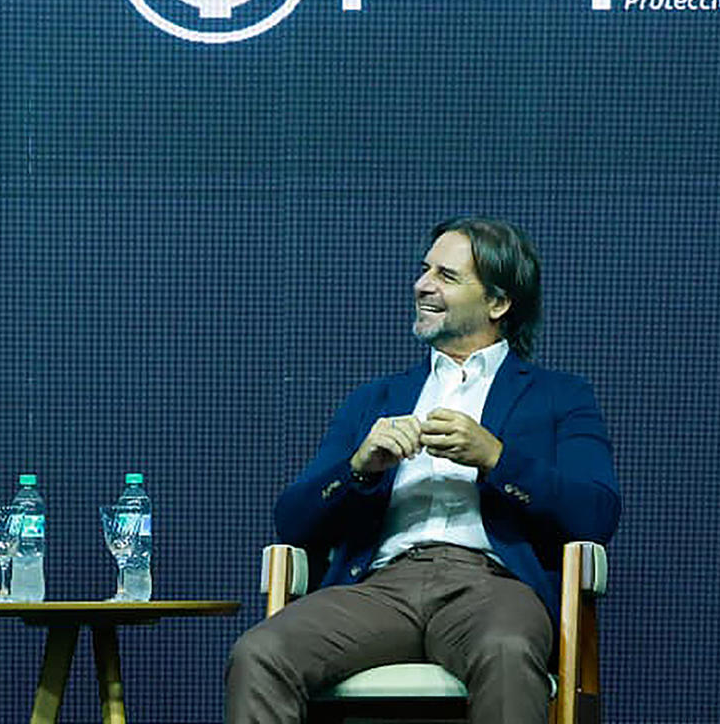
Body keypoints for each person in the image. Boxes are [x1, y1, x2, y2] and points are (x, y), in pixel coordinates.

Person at [226, 216, 619, 724]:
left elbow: (596, 513)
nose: (422, 285)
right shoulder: (376, 399)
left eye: (447, 276)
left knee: (506, 648)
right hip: (380, 587)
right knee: (260, 653)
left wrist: (497, 458)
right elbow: (293, 520)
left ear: (498, 303)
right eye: (424, 269)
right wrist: (359, 470)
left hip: (493, 586)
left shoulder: (560, 397)